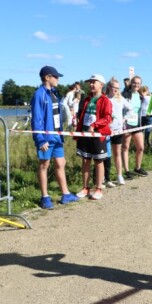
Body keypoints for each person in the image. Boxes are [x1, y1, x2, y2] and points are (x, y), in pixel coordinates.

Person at [30, 66, 79, 209]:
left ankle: (66, 194)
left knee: (60, 163)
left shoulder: (54, 93)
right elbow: (37, 119)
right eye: (56, 77)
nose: (58, 79)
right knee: (44, 165)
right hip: (46, 137)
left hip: (57, 136)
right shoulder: (39, 94)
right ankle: (45, 197)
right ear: (47, 77)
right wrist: (40, 139)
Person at [74, 74, 112, 200]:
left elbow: (107, 118)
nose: (91, 84)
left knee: (98, 161)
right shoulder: (86, 99)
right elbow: (82, 115)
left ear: (101, 85)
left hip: (97, 135)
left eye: (93, 82)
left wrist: (95, 125)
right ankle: (85, 187)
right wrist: (78, 128)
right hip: (84, 135)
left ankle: (99, 188)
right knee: (85, 161)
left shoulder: (105, 100)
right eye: (90, 82)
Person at [105, 77, 131, 186]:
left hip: (118, 130)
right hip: (106, 130)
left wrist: (125, 118)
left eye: (118, 88)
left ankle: (119, 175)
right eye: (114, 88)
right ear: (109, 87)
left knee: (117, 153)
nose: (116, 90)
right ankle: (106, 178)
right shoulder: (105, 98)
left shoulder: (121, 99)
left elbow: (130, 109)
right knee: (106, 155)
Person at [122, 75, 148, 179]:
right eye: (134, 82)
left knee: (141, 147)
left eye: (138, 83)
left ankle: (137, 168)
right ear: (130, 83)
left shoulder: (141, 96)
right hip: (127, 123)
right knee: (125, 147)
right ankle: (127, 171)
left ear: (140, 85)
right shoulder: (125, 95)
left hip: (137, 124)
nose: (136, 85)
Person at [140, 85, 152, 151]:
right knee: (141, 131)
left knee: (147, 131)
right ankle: (142, 144)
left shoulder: (148, 97)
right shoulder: (142, 98)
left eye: (143, 91)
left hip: (149, 116)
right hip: (142, 116)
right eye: (141, 92)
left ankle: (146, 144)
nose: (142, 93)